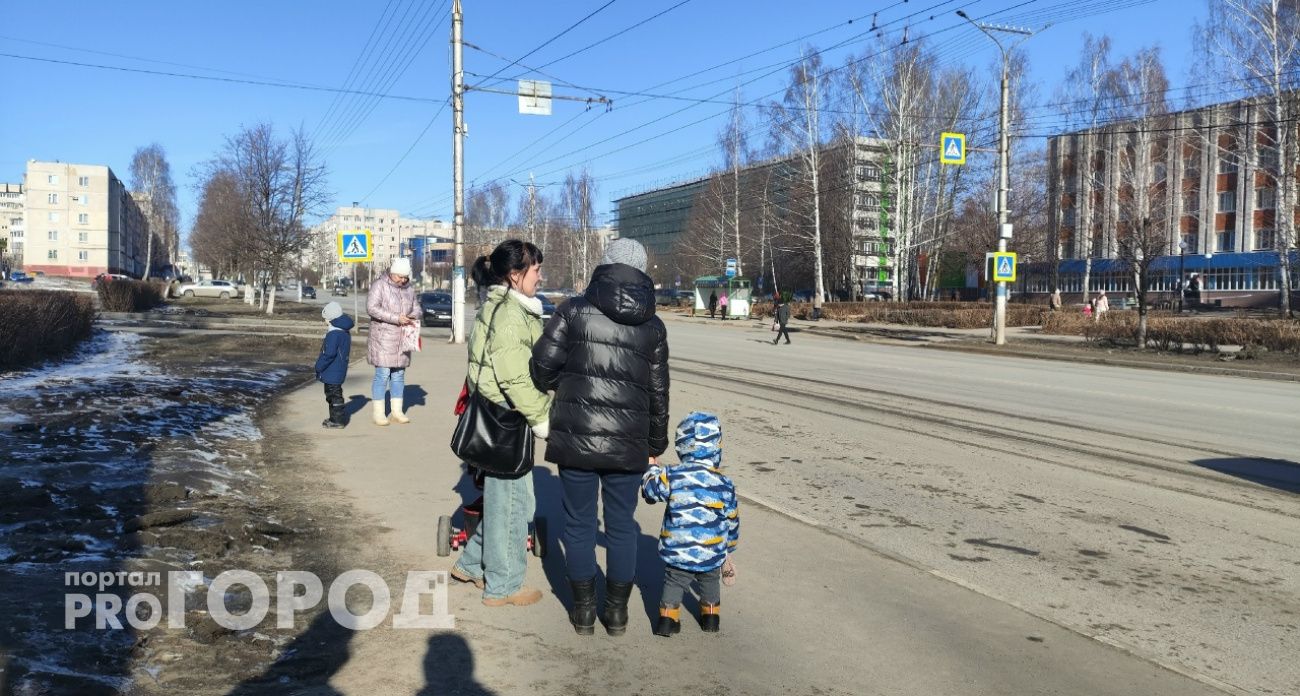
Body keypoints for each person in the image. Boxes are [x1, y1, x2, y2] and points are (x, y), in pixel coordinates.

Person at [531, 237, 670, 637]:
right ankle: (617, 615)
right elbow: (658, 390)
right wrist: (654, 445)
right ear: (642, 271)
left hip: (577, 438)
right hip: (629, 444)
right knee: (623, 526)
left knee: (577, 526)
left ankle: (584, 613)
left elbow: (541, 369)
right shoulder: (654, 325)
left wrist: (569, 384)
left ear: (604, 265)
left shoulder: (573, 311)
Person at [451, 240, 552, 607]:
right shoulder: (511, 315)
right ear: (515, 274)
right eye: (536, 269)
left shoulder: (496, 305)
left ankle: (472, 564)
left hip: (491, 417)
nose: (540, 276)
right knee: (514, 506)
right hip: (507, 421)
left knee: (503, 502)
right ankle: (503, 587)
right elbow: (514, 378)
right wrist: (542, 418)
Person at [641, 412, 739, 637]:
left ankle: (667, 620)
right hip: (712, 550)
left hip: (679, 548)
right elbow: (732, 519)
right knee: (710, 581)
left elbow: (650, 489)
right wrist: (728, 548)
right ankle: (711, 617)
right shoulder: (724, 484)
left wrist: (652, 468)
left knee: (674, 581)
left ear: (682, 445)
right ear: (717, 446)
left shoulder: (673, 475)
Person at [366, 257, 421, 426]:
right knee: (382, 375)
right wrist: (396, 318)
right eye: (400, 276)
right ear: (392, 272)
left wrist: (414, 315)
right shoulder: (379, 285)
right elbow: (372, 308)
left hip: (403, 338)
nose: (403, 280)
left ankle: (397, 411)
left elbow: (417, 307)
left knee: (398, 375)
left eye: (405, 277)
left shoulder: (409, 289)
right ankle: (379, 413)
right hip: (383, 337)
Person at [314, 302, 354, 429]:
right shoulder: (344, 332)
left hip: (332, 370)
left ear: (331, 319)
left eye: (325, 319)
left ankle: (337, 421)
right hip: (338, 369)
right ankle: (334, 418)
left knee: (334, 396)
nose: (324, 321)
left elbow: (329, 354)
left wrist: (318, 366)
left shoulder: (333, 334)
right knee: (334, 394)